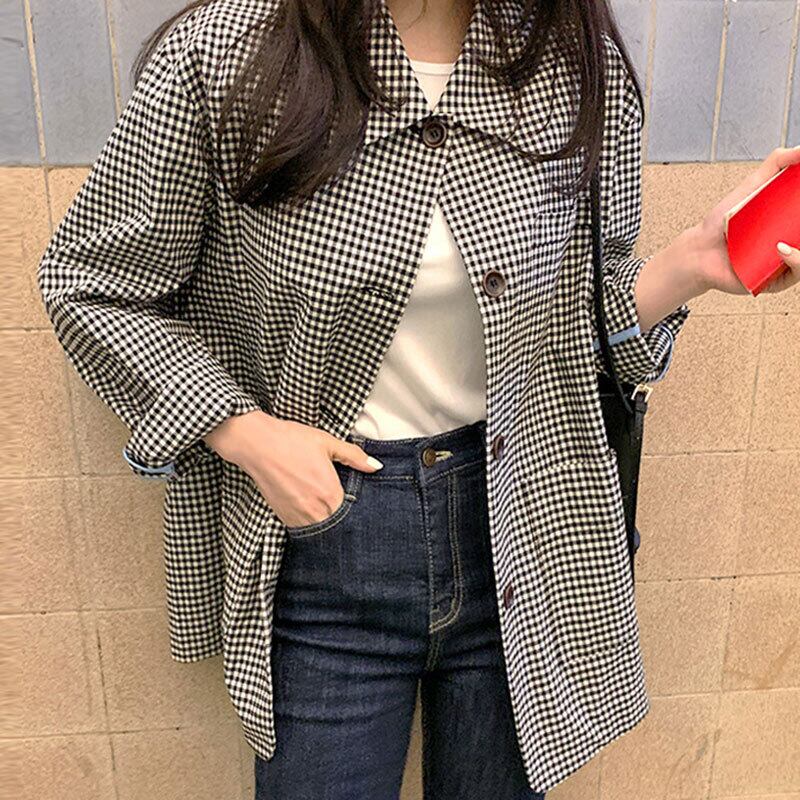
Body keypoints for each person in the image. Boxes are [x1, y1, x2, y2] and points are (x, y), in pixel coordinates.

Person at [36, 0, 799, 797]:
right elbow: (90, 285)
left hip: (519, 530)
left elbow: (574, 331)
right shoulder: (230, 53)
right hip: (329, 543)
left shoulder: (571, 61)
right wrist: (245, 431)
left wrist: (691, 263)